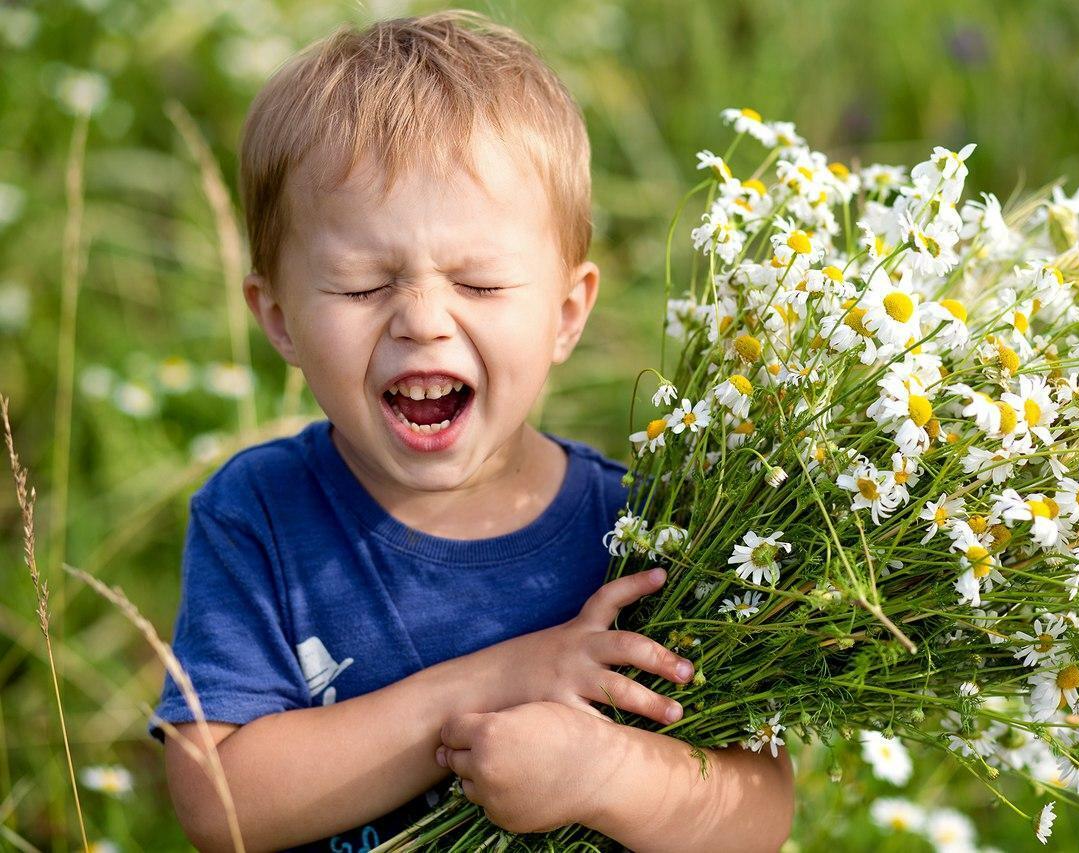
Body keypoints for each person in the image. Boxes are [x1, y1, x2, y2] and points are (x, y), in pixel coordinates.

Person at [148, 10, 794, 851]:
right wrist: (497, 679)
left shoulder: (648, 531)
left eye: (481, 284)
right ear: (278, 319)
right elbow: (218, 806)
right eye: (357, 285)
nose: (423, 320)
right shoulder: (259, 514)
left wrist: (604, 774)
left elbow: (757, 815)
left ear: (566, 313)